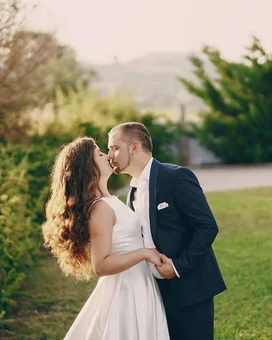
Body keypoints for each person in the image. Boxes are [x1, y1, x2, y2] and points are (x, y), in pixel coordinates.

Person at [41, 137, 170, 340]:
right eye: (100, 154)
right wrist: (144, 253)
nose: (107, 156)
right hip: (127, 289)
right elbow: (100, 265)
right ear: (89, 167)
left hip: (139, 281)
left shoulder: (110, 201)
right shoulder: (100, 208)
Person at [107, 122, 227, 340]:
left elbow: (207, 226)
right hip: (154, 293)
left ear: (134, 147)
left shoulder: (176, 177)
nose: (109, 155)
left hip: (190, 288)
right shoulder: (132, 192)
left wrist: (178, 266)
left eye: (114, 148)